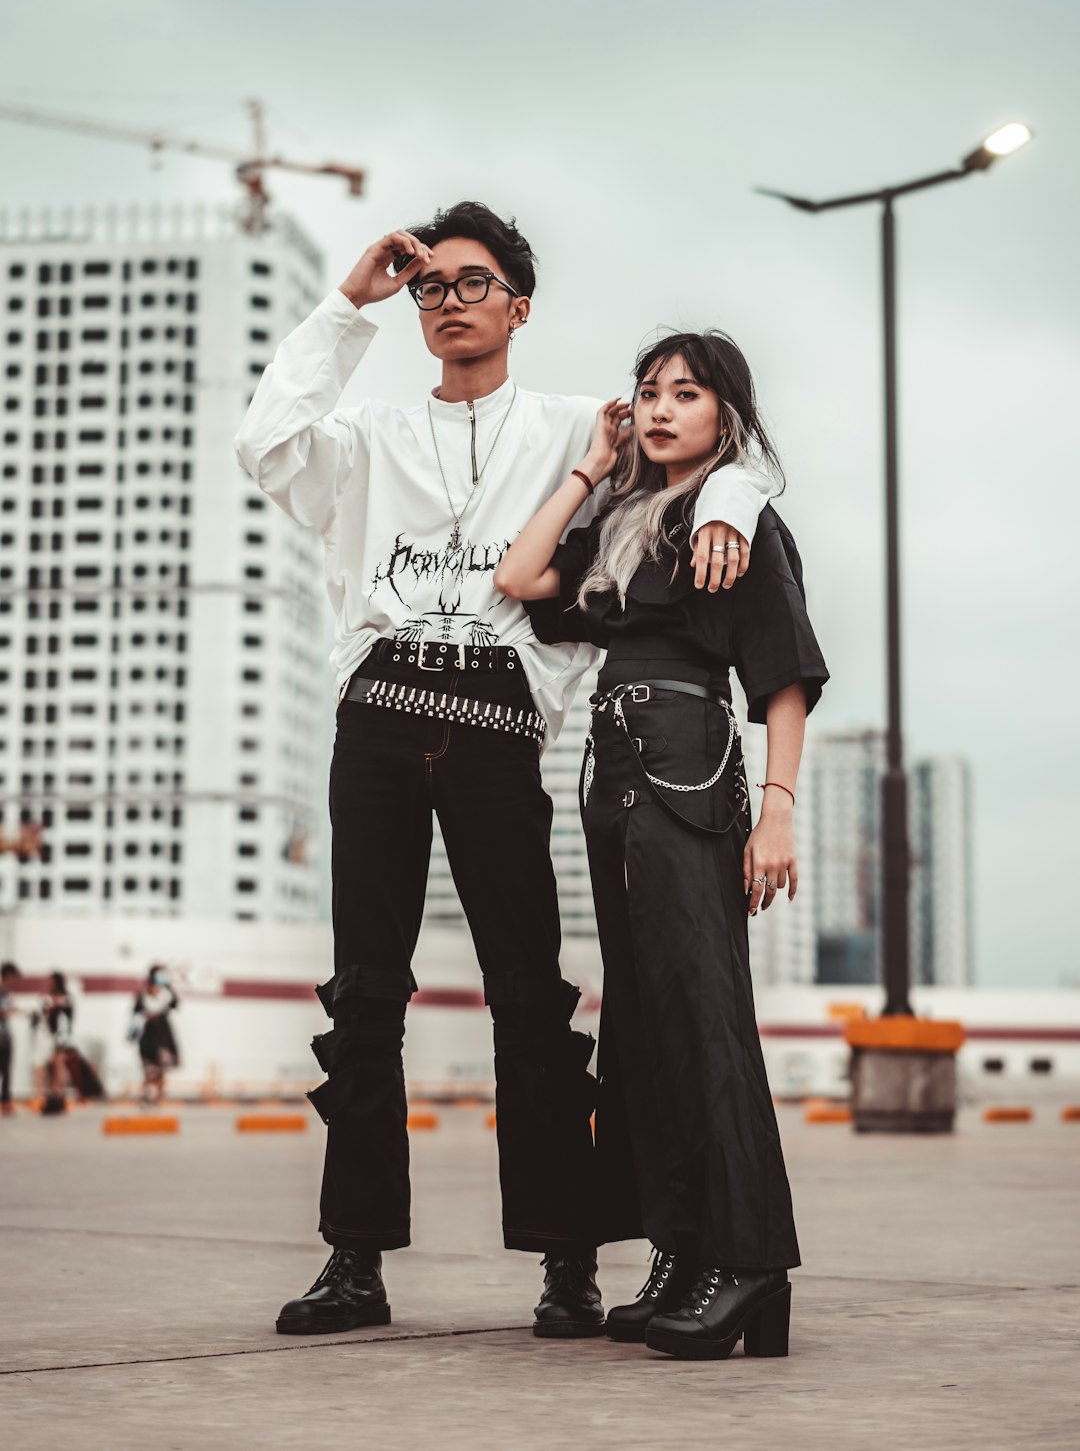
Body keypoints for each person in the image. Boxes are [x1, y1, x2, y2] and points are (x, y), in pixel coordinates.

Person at [234, 203, 771, 1339]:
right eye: (430, 287)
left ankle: (567, 1259)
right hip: (379, 708)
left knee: (531, 994)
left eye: (471, 283)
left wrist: (726, 499)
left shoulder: (582, 421)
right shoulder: (368, 433)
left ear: (519, 304)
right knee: (364, 991)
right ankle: (355, 1260)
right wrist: (348, 305)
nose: (447, 302)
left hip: (496, 719)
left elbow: (723, 445)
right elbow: (265, 442)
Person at [496, 328, 829, 1360]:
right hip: (617, 781)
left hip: (690, 766)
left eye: (686, 393)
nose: (660, 406)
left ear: (724, 413)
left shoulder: (739, 523)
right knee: (641, 1023)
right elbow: (519, 573)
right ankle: (684, 1250)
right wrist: (591, 468)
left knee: (705, 1012)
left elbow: (780, 674)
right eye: (647, 391)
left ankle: (750, 1259)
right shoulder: (630, 521)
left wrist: (776, 809)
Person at [130, 966, 180, 1105]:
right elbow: (135, 1014)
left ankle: (157, 1096)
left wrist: (168, 986)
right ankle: (147, 1096)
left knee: (161, 1070)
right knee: (149, 1070)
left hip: (162, 1038)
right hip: (147, 1039)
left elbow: (175, 1004)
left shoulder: (166, 995)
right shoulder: (142, 997)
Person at [32, 972, 75, 1114]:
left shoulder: (65, 1000)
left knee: (59, 1066)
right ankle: (51, 1096)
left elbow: (66, 1019)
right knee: (50, 1067)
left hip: (60, 1036)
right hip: (50, 1035)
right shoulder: (48, 998)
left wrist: (55, 1005)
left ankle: (58, 1097)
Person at [1, 961, 21, 1114]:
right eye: (14, 978)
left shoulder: (8, 993)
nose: (15, 982)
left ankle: (5, 1101)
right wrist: (7, 1011)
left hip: (6, 1036)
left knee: (6, 1070)